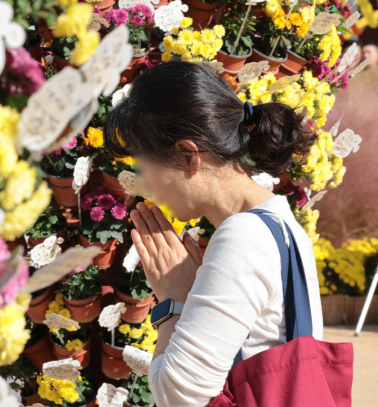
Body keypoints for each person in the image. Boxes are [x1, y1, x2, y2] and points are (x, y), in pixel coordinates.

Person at [104, 61, 323, 406]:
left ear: (189, 156)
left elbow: (177, 395)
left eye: (144, 166)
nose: (145, 185)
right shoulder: (283, 224)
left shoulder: (242, 238)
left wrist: (172, 300)